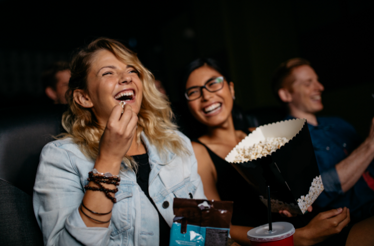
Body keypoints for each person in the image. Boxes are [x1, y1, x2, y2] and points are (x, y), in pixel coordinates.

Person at [183, 58, 374, 245]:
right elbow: (216, 228)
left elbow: (288, 192)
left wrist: (293, 203)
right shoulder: (197, 152)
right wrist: (294, 239)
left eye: (213, 83)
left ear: (231, 89)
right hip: (280, 241)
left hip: (308, 225)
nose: (206, 96)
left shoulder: (258, 134)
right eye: (193, 92)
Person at [33, 38, 205, 246]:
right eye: (108, 72)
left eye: (132, 70)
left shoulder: (176, 142)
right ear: (84, 97)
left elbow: (200, 230)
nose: (126, 78)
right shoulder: (61, 157)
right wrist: (109, 159)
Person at [272, 58, 374, 223]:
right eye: (308, 83)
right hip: (354, 220)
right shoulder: (282, 139)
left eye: (317, 81)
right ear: (286, 94)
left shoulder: (339, 123)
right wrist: (371, 145)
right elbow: (313, 195)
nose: (320, 87)